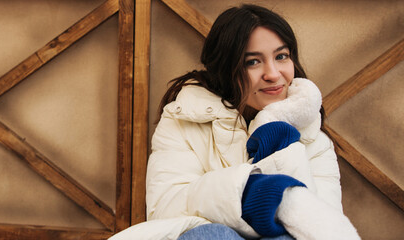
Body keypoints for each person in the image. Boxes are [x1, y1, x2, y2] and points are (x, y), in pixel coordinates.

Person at [111, 4, 359, 240]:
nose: (273, 74)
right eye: (253, 61)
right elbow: (167, 208)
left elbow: (322, 225)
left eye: (281, 56)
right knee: (211, 235)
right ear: (225, 68)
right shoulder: (183, 120)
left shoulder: (313, 139)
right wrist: (249, 193)